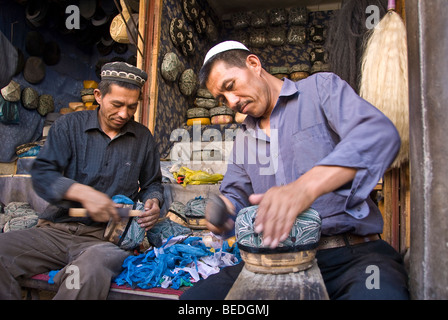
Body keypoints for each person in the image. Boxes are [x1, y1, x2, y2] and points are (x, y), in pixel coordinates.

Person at [180, 41, 409, 300]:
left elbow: (378, 134)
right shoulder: (244, 139)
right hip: (272, 263)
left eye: (230, 86)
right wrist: (222, 213)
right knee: (196, 301)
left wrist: (305, 187)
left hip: (352, 257)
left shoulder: (320, 89)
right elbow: (235, 198)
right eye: (222, 98)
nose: (231, 102)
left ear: (253, 64)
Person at [0, 62, 164, 299]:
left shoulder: (143, 138)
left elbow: (152, 184)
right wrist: (81, 193)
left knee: (85, 272)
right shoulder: (69, 126)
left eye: (132, 107)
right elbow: (43, 175)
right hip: (55, 231)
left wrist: (153, 201)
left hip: (105, 239)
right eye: (117, 105)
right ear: (98, 95)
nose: (124, 114)